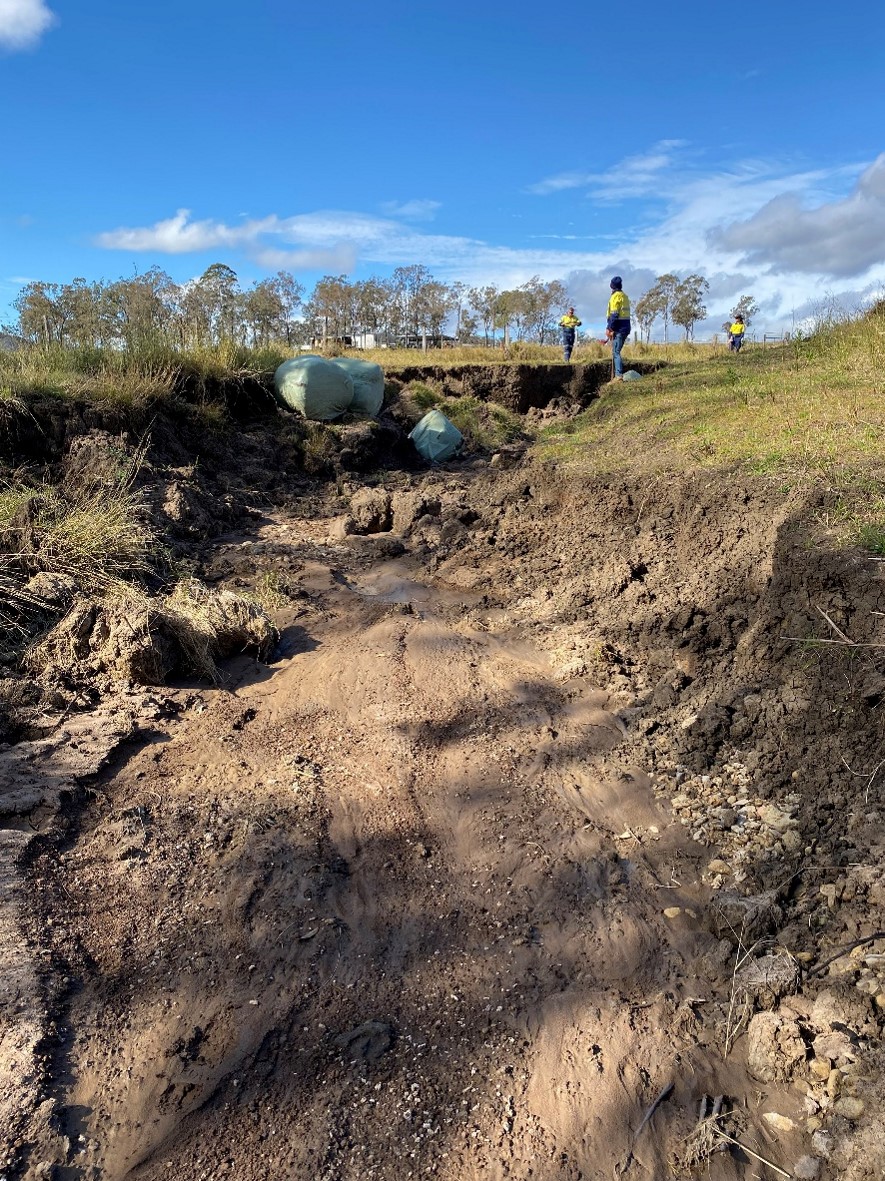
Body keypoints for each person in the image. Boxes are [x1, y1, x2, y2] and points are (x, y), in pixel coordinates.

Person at [605, 276, 631, 379]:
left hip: (619, 329)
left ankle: (619, 375)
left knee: (616, 352)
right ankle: (618, 375)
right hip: (626, 327)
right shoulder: (625, 296)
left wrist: (610, 328)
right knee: (616, 351)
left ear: (612, 286)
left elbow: (614, 315)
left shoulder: (615, 297)